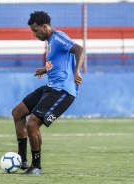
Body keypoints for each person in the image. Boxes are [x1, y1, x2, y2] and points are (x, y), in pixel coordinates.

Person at [12, 11, 85, 175]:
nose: (35, 34)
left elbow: (80, 49)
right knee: (18, 112)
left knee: (32, 124)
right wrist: (46, 69)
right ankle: (22, 160)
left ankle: (36, 166)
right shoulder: (52, 41)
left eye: (36, 31)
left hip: (62, 91)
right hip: (50, 86)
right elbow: (61, 61)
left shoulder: (58, 38)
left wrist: (77, 72)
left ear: (44, 27)